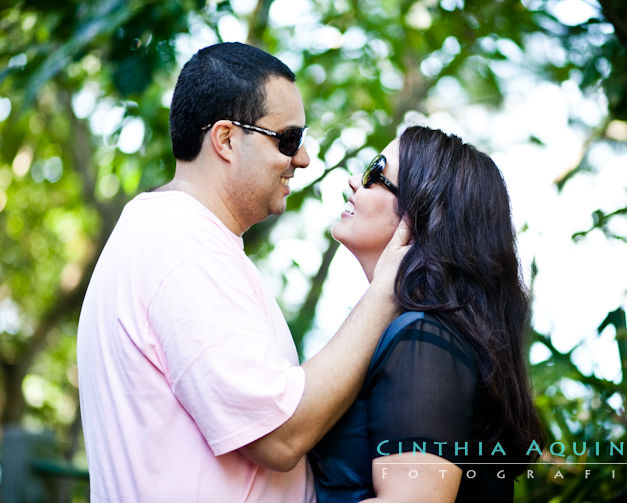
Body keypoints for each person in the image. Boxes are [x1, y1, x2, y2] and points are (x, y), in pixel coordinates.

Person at [76, 42, 408, 502]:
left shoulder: (175, 236)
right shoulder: (183, 246)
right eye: (288, 139)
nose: (304, 158)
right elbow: (280, 435)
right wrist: (387, 290)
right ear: (227, 139)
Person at [309, 126, 544, 502]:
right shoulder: (418, 336)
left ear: (422, 214)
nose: (355, 181)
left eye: (376, 171)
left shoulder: (424, 339)